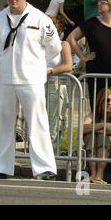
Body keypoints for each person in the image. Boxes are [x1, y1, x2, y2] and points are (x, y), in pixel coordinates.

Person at [0, 0, 62, 180]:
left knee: (37, 123)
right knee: (2, 124)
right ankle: (0, 167)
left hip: (31, 78)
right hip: (4, 78)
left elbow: (54, 49)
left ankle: (44, 168)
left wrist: (37, 65)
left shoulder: (40, 18)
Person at [82, 87, 111, 184]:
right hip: (96, 149)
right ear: (100, 101)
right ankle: (93, 173)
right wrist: (103, 125)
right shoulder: (93, 115)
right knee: (90, 136)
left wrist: (93, 128)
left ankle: (99, 174)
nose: (110, 103)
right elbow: (82, 129)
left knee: (101, 136)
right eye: (107, 100)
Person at [46, 16, 73, 155]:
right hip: (37, 85)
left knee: (54, 123)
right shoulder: (37, 44)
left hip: (55, 86)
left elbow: (68, 66)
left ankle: (51, 155)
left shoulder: (63, 44)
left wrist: (49, 72)